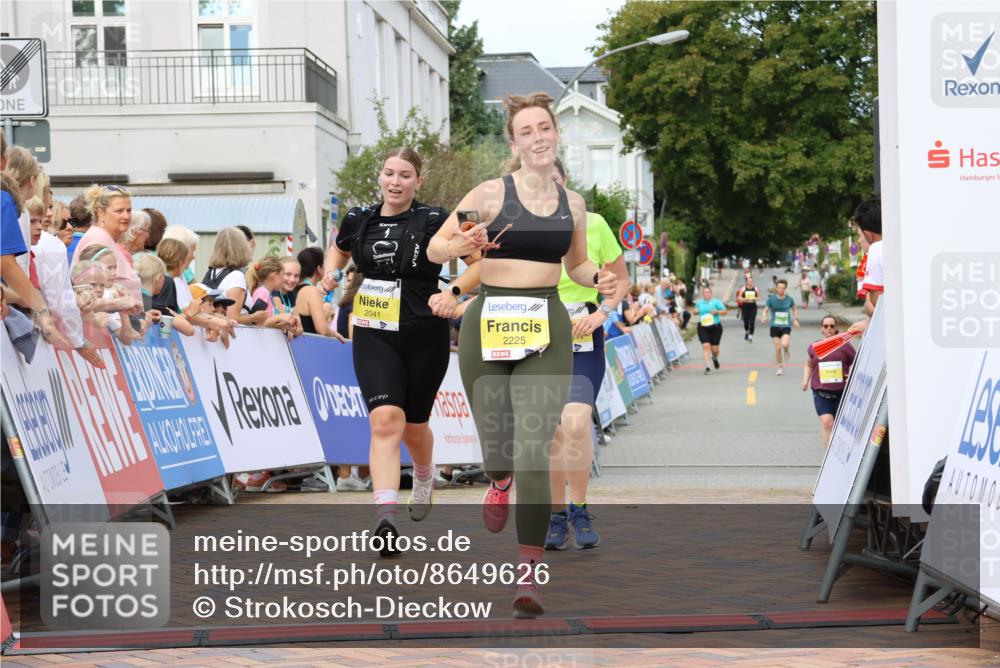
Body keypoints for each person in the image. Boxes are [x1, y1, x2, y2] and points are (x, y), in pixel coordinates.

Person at [427, 93, 618, 619]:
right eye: (526, 131)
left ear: (556, 135)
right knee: (498, 448)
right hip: (487, 322)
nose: (538, 137)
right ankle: (498, 479)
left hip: (547, 322)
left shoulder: (573, 204)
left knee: (535, 446)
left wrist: (596, 279)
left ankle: (528, 573)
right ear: (514, 144)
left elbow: (576, 267)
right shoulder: (488, 195)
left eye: (544, 128)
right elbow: (436, 250)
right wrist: (460, 240)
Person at [328, 147, 467, 555]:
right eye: (389, 173)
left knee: (414, 425)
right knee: (386, 420)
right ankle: (385, 519)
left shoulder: (436, 219)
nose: (395, 181)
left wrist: (456, 293)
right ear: (381, 177)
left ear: (417, 181)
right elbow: (337, 252)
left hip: (424, 332)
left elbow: (476, 259)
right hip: (373, 330)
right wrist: (329, 279)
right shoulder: (359, 218)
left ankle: (423, 474)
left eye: (405, 175)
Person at [544, 158, 629, 551]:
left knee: (575, 424)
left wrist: (602, 314)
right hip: (537, 342)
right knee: (551, 433)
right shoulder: (525, 231)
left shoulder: (593, 224)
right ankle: (556, 515)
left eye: (556, 181)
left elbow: (622, 280)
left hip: (583, 338)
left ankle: (578, 507)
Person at [72, 184, 144, 343]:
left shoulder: (106, 239)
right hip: (100, 335)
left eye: (129, 210)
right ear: (100, 213)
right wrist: (122, 306)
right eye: (119, 211)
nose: (126, 216)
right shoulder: (97, 239)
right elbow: (87, 293)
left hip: (119, 330)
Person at [803, 315, 857, 447]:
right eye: (826, 326)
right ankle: (828, 458)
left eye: (832, 326)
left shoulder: (846, 346)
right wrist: (805, 380)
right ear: (821, 328)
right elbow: (809, 364)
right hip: (821, 392)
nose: (829, 329)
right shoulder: (815, 346)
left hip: (841, 393)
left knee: (840, 426)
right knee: (827, 422)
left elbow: (856, 364)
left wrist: (849, 376)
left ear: (836, 328)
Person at [293, 247, 343, 338]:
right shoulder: (312, 291)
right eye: (324, 264)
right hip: (309, 345)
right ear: (319, 268)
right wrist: (336, 335)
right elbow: (322, 329)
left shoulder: (296, 289)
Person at [762, 278, 799, 376]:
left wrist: (795, 319)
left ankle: (786, 351)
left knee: (785, 344)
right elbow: (765, 309)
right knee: (778, 348)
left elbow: (795, 309)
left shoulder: (789, 299)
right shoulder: (771, 299)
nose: (781, 290)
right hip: (774, 326)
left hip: (786, 325)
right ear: (776, 288)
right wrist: (764, 317)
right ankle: (779, 367)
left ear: (785, 289)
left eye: (783, 288)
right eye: (779, 288)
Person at [694, 285, 727, 374]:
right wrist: (696, 311)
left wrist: (717, 312)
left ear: (711, 293)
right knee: (706, 346)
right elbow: (695, 311)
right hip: (703, 327)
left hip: (715, 327)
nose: (706, 294)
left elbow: (725, 311)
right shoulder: (699, 303)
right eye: (705, 292)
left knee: (715, 349)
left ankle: (714, 358)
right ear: (703, 294)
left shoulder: (716, 302)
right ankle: (708, 367)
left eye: (708, 292)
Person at [735, 275, 760, 342]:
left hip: (753, 306)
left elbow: (759, 297)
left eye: (751, 281)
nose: (750, 282)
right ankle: (747, 331)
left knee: (752, 321)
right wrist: (745, 299)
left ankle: (750, 336)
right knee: (746, 322)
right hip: (745, 306)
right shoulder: (743, 289)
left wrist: (754, 298)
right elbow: (739, 297)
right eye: (749, 281)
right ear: (747, 282)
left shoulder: (756, 289)